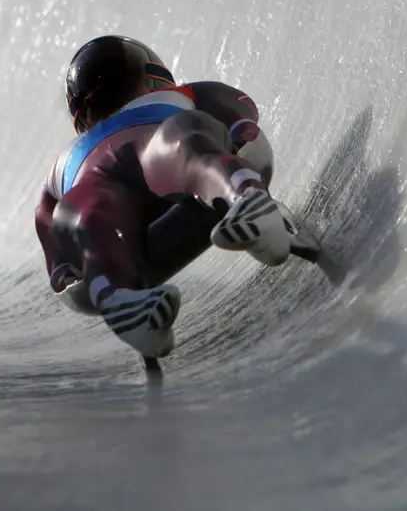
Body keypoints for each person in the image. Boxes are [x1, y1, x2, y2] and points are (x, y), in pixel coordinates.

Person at [33, 35, 295, 359]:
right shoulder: (180, 95)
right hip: (152, 155)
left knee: (82, 210)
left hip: (116, 171)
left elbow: (47, 218)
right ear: (154, 76)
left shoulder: (65, 160)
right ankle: (244, 198)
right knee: (186, 144)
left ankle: (116, 293)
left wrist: (64, 271)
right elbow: (241, 114)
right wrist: (242, 142)